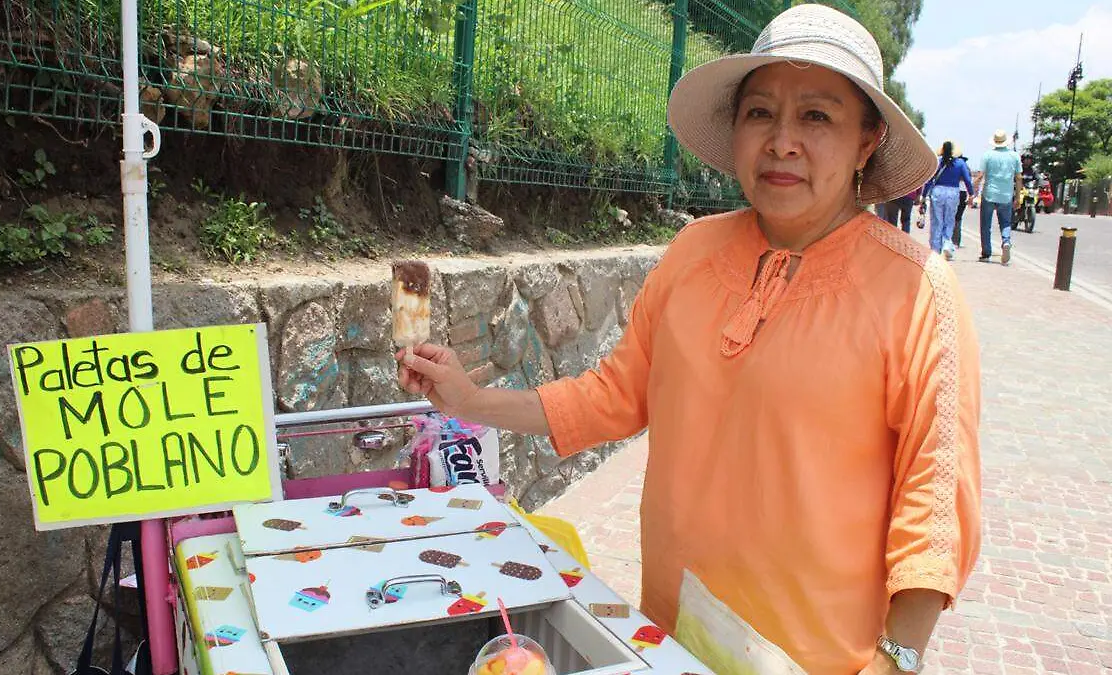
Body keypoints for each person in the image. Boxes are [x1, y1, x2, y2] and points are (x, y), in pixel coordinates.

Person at [397, 5, 981, 674]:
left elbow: (934, 502)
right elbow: (612, 395)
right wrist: (470, 399)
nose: (782, 140)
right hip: (669, 644)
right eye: (760, 113)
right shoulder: (693, 252)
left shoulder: (916, 291)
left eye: (816, 116)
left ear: (868, 139)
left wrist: (896, 658)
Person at [974, 130, 1022, 264]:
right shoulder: (1015, 156)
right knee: (1005, 222)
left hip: (989, 193)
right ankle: (1006, 242)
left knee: (985, 224)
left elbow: (980, 175)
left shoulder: (987, 155)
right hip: (1006, 195)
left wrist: (974, 192)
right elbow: (1019, 178)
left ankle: (986, 253)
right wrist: (1018, 197)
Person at [920, 140, 973, 259]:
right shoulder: (960, 163)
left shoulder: (937, 162)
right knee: (949, 220)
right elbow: (967, 180)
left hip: (937, 192)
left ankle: (935, 248)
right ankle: (947, 245)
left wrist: (923, 196)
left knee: (937, 221)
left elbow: (929, 180)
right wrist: (971, 194)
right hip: (953, 192)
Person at [952, 148, 970, 249]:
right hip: (963, 193)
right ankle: (956, 241)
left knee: (950, 216)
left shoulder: (952, 165)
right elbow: (968, 180)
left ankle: (949, 239)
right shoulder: (965, 166)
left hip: (953, 191)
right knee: (958, 217)